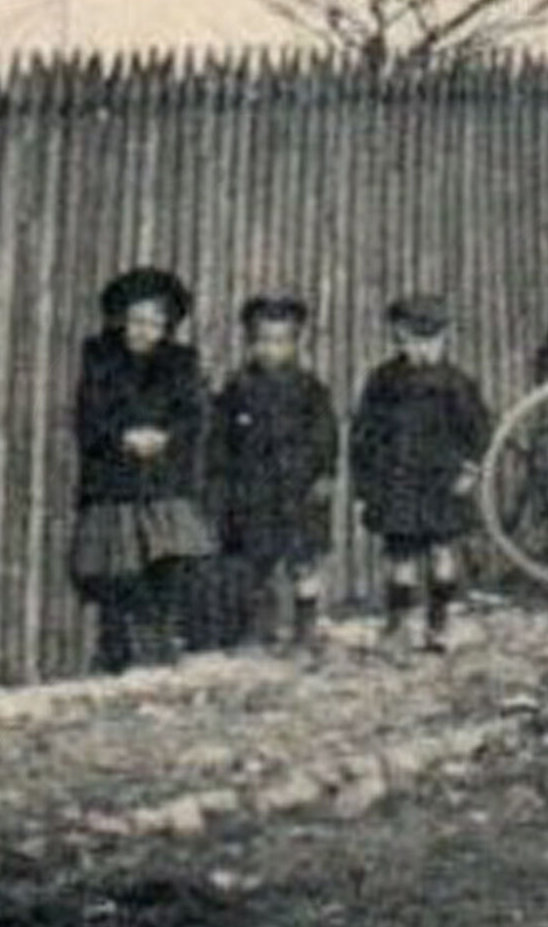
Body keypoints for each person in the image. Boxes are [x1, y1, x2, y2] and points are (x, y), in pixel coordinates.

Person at [66, 265, 214, 671]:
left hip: (164, 480)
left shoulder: (181, 362)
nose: (144, 330)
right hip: (114, 481)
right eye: (136, 320)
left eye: (154, 322)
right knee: (117, 568)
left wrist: (165, 437)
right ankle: (116, 648)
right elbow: (90, 414)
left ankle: (159, 641)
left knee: (168, 560)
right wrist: (122, 437)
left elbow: (194, 416)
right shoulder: (100, 358)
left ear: (167, 326)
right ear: (120, 319)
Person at [348, 291, 493, 652]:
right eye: (407, 341)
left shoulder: (456, 384)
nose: (418, 350)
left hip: (442, 484)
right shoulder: (383, 381)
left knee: (443, 554)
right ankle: (397, 625)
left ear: (444, 338)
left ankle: (439, 623)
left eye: (428, 341)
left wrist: (471, 469)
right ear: (397, 339)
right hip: (398, 483)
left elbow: (478, 429)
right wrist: (364, 487)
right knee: (401, 559)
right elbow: (364, 434)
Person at [208, 294, 339, 657]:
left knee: (303, 562)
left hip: (300, 492)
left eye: (280, 341)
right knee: (255, 565)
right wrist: (224, 482)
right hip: (254, 493)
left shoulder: (311, 390)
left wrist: (325, 474)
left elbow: (327, 436)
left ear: (295, 344)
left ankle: (305, 631)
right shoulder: (237, 389)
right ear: (250, 343)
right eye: (262, 340)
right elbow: (221, 440)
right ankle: (256, 632)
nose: (270, 349)